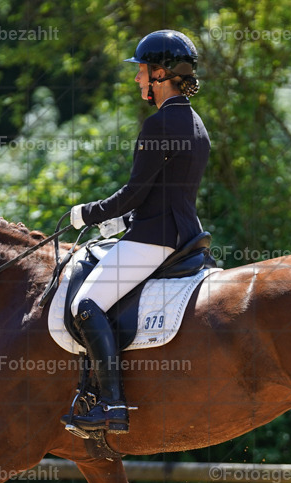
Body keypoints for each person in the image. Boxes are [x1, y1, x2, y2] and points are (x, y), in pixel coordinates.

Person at [63, 29, 211, 435]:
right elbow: (165, 192)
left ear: (160, 73)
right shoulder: (197, 124)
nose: (137, 79)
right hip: (181, 233)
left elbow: (133, 192)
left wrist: (88, 213)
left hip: (155, 240)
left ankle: (111, 404)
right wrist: (123, 222)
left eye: (142, 71)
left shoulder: (158, 124)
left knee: (86, 304)